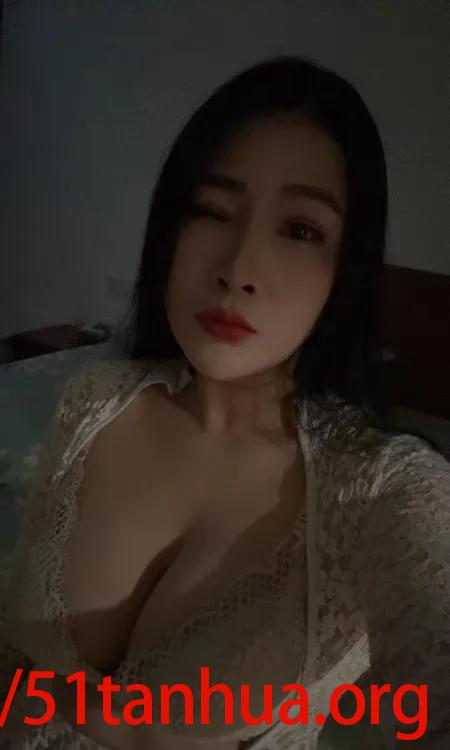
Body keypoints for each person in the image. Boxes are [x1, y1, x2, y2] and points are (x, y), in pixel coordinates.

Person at [1, 55, 449, 750]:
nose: (237, 270)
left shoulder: (382, 489)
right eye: (210, 211)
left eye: (300, 229)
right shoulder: (95, 402)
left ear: (346, 269)